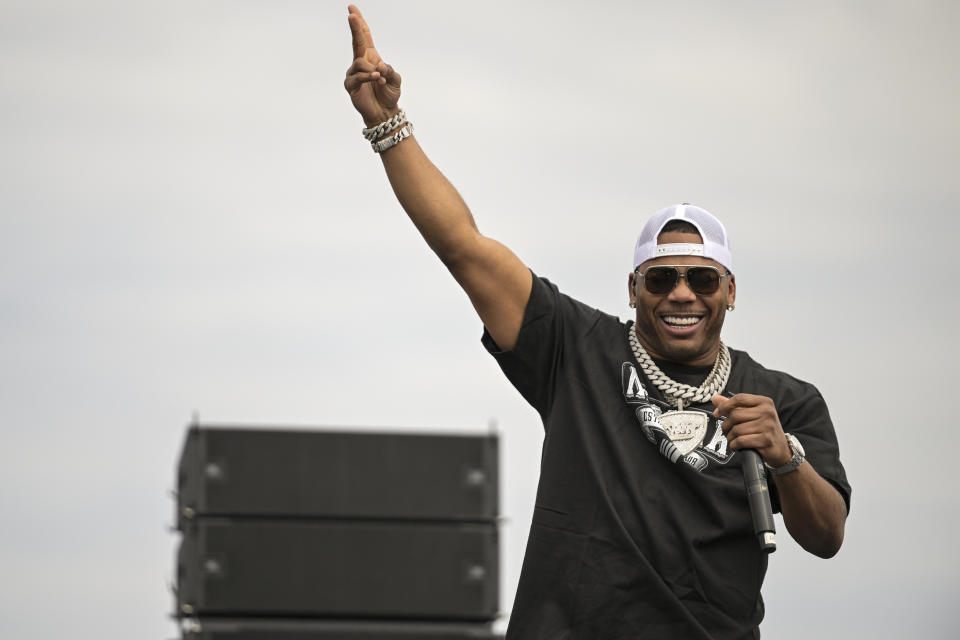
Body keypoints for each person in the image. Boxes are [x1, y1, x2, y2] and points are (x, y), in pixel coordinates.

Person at [344, 6, 850, 639]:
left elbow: (826, 535)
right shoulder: (574, 349)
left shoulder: (784, 403)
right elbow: (464, 247)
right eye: (661, 278)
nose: (682, 294)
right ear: (634, 289)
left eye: (702, 278)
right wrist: (387, 122)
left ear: (730, 291)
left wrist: (785, 458)